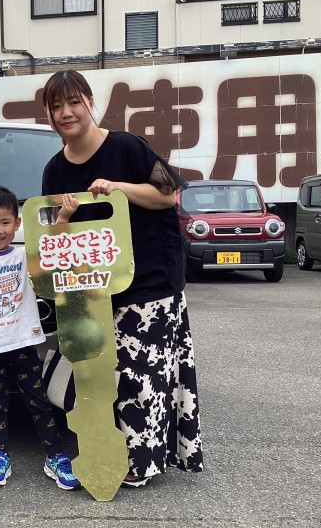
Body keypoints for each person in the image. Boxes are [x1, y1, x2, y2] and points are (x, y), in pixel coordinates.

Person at [40, 69, 204, 488]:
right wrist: (63, 217)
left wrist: (119, 188)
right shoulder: (55, 170)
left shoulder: (126, 146)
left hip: (150, 279)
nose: (66, 113)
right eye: (56, 106)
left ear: (89, 102)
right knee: (101, 376)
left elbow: (168, 194)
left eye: (74, 102)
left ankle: (140, 463)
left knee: (140, 374)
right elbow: (52, 234)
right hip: (93, 287)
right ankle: (111, 453)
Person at [0, 185, 81, 490]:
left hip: (22, 343)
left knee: (38, 402)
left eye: (5, 222)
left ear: (17, 224)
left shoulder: (24, 256)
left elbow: (53, 252)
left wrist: (63, 218)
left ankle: (55, 456)